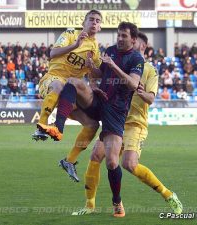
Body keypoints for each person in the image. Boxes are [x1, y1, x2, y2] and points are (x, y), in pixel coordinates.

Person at [71, 32, 183, 217]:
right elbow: (101, 77)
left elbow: (151, 99)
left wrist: (140, 91)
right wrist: (92, 68)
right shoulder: (120, 64)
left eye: (133, 43)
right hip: (115, 120)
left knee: (129, 164)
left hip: (134, 124)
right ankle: (90, 206)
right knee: (95, 156)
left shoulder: (149, 70)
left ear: (142, 46)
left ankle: (168, 195)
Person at [40, 22, 144, 217]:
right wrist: (91, 67)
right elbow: (99, 74)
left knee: (112, 162)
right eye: (119, 35)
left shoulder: (137, 58)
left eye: (124, 36)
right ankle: (58, 126)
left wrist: (113, 67)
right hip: (99, 100)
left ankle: (117, 202)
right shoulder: (111, 50)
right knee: (73, 82)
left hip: (116, 112)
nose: (120, 39)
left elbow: (132, 84)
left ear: (133, 39)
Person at [32, 9, 102, 141]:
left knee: (92, 125)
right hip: (53, 78)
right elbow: (53, 53)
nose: (94, 23)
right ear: (83, 23)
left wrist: (91, 66)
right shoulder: (70, 33)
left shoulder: (95, 49)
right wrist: (75, 45)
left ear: (100, 27)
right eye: (91, 19)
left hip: (70, 94)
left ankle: (69, 160)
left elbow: (96, 74)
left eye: (97, 21)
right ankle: (41, 126)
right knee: (58, 85)